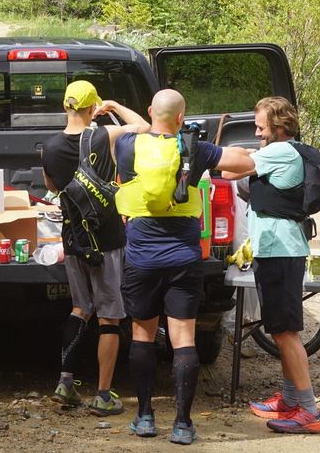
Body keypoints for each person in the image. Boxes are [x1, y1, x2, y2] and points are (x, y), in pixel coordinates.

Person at [114, 88, 254, 445]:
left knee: (143, 335)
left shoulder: (128, 147)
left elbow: (142, 130)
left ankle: (144, 416)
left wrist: (115, 107)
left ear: (150, 113)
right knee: (184, 340)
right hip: (183, 258)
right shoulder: (195, 150)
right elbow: (243, 165)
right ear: (181, 117)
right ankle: (182, 423)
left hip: (142, 257)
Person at [41, 80, 149, 414]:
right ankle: (103, 395)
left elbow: (51, 186)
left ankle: (66, 381)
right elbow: (145, 127)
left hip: (74, 238)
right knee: (109, 317)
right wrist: (114, 106)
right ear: (92, 109)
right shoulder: (105, 136)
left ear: (64, 107)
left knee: (79, 307)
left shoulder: (49, 146)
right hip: (106, 239)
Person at [245, 96, 320, 434]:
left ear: (279, 127)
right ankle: (291, 399)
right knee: (280, 331)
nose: (256, 131)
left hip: (281, 251)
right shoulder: (278, 150)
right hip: (275, 249)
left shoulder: (280, 151)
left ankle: (308, 410)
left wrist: (204, 151)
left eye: (261, 126)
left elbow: (235, 162)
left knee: (287, 334)